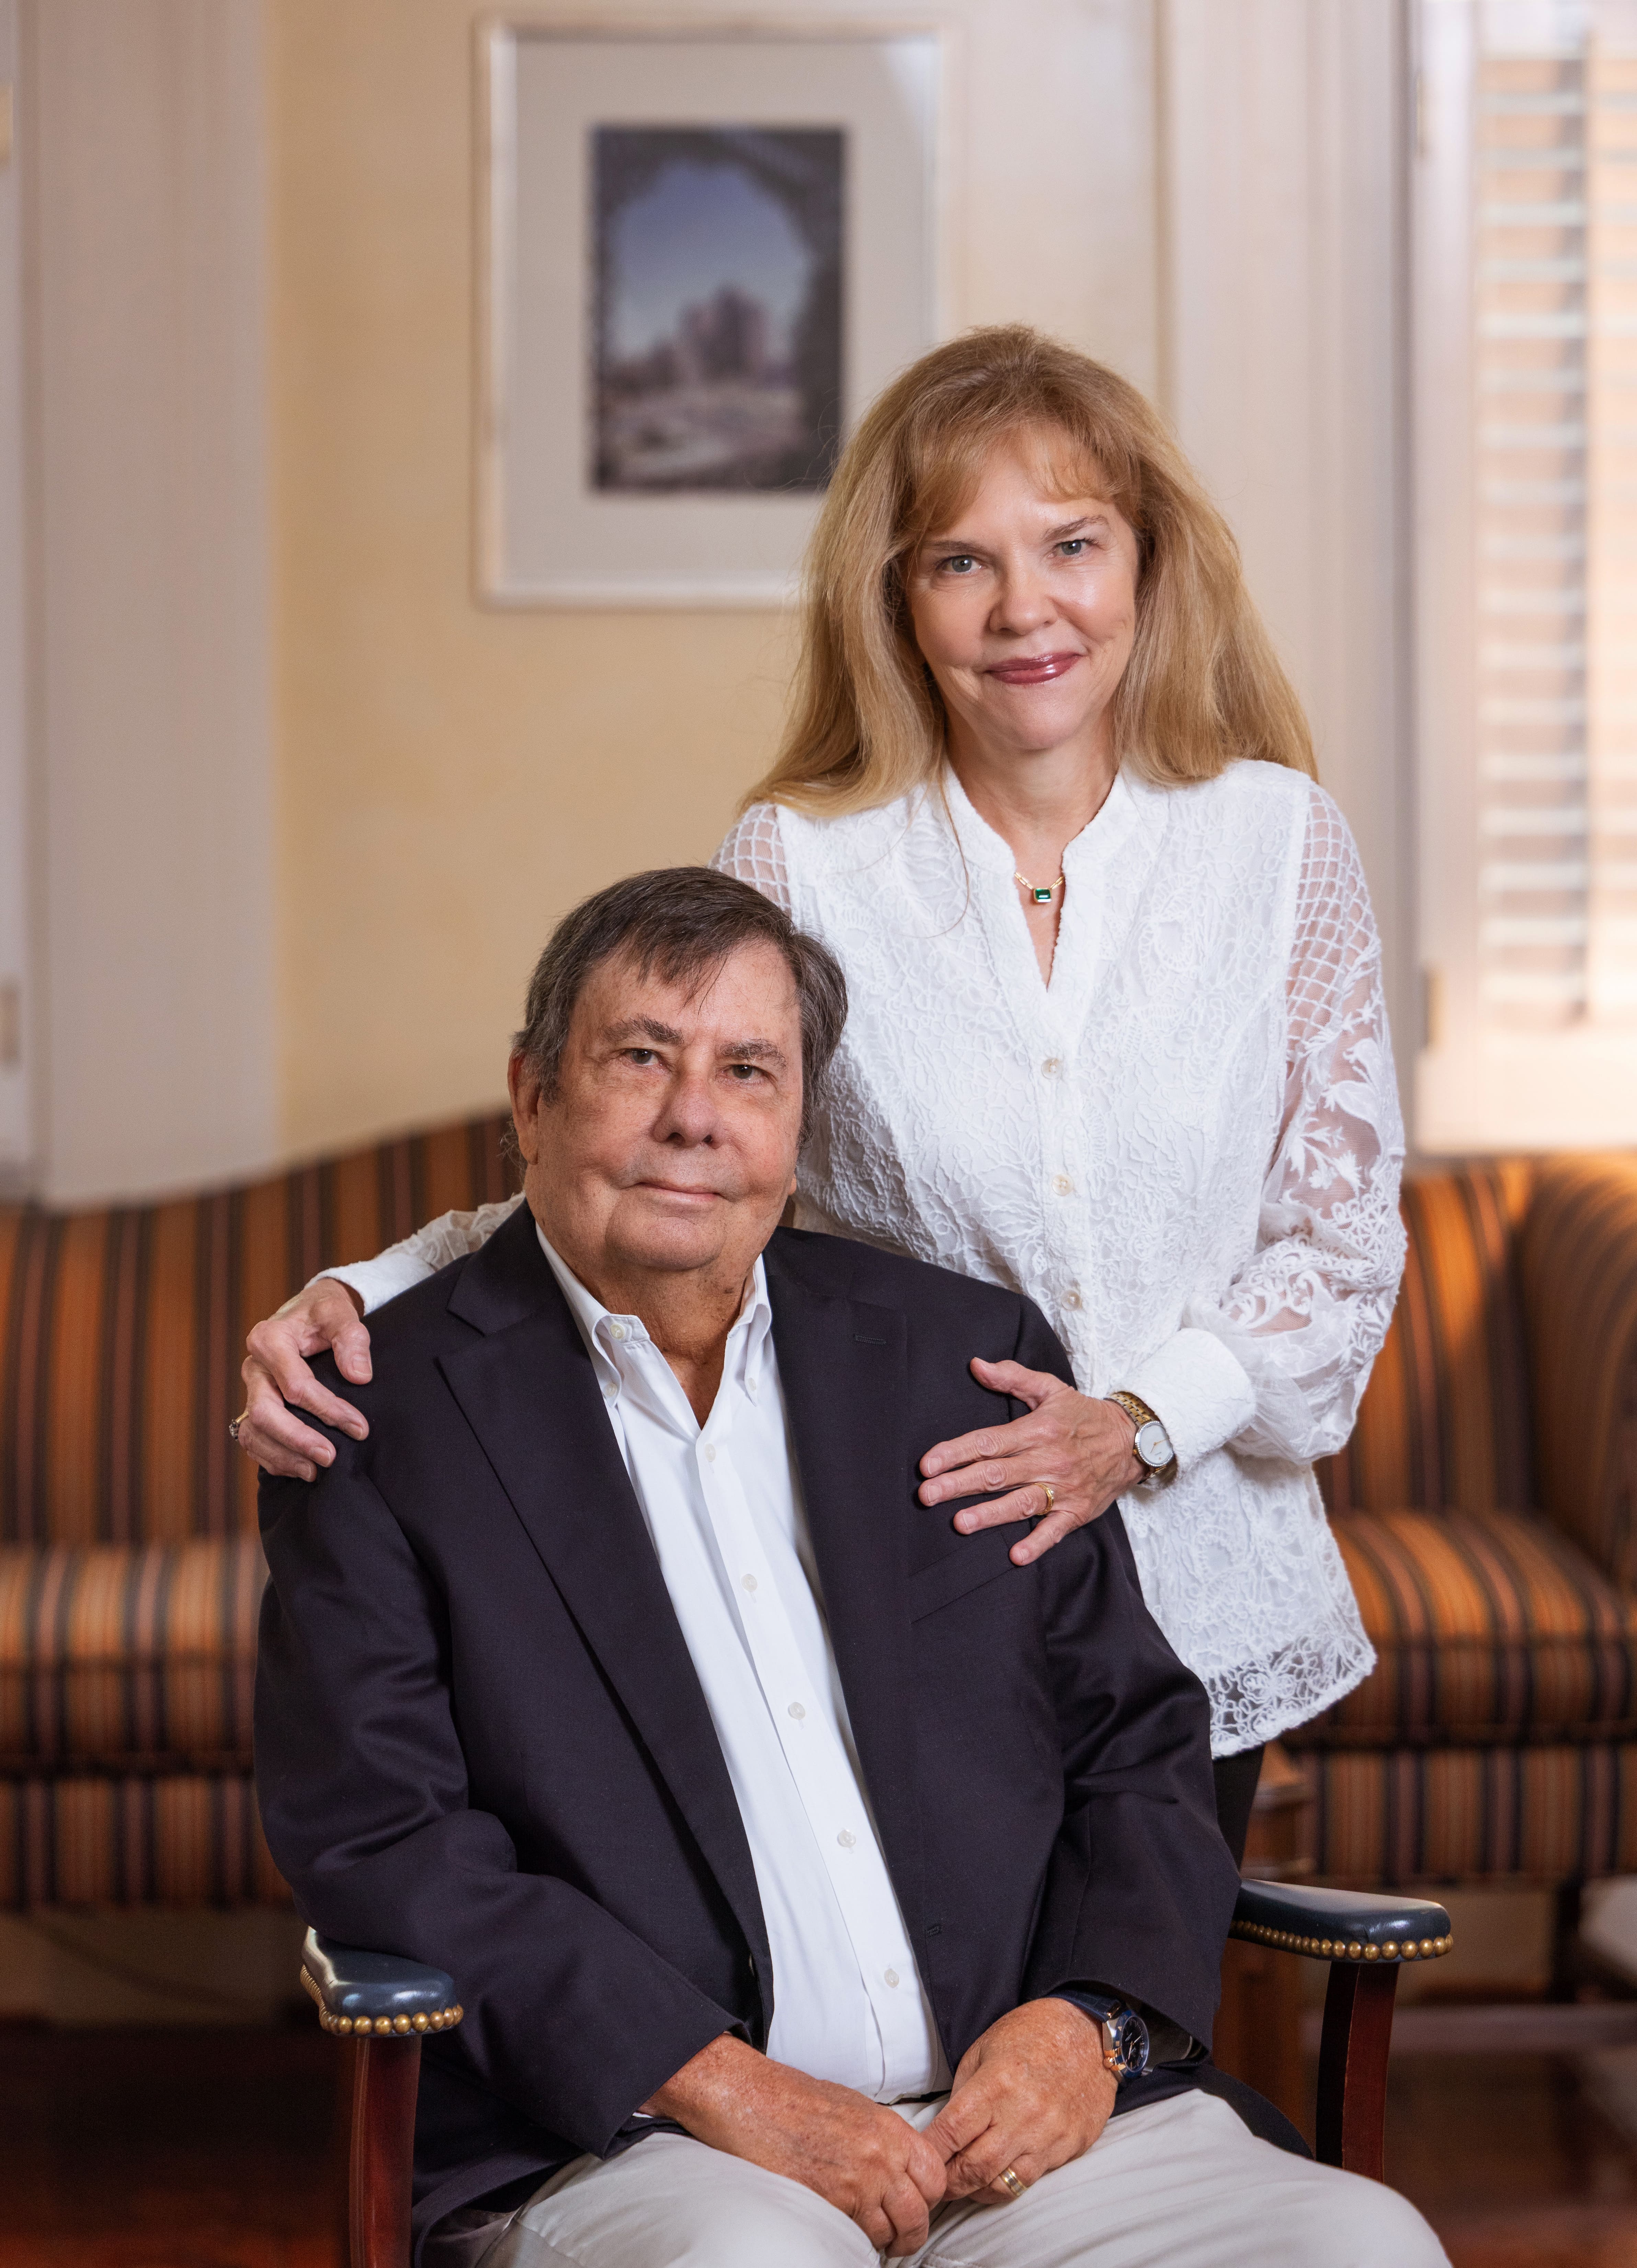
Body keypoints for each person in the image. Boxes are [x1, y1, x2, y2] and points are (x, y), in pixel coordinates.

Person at [240, 327, 1407, 1867]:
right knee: (905, 2057)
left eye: (1070, 545)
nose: (1024, 609)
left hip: (1203, 1592)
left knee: (1131, 2047)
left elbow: (1338, 1241)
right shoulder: (804, 861)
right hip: (912, 1576)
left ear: (1149, 563)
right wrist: (360, 1288)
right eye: (958, 563)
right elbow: (677, 1171)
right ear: (897, 601)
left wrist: (1133, 1424)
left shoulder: (1282, 844)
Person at [254, 869, 1444, 2268]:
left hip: (1030, 2132)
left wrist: (1090, 2020)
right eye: (640, 1056)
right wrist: (724, 2082)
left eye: (746, 1069)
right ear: (531, 1096)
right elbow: (387, 1842)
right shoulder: (379, 1421)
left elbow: (1134, 1735)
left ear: (796, 1125)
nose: (693, 1112)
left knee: (1358, 2246)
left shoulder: (959, 1362)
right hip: (643, 2139)